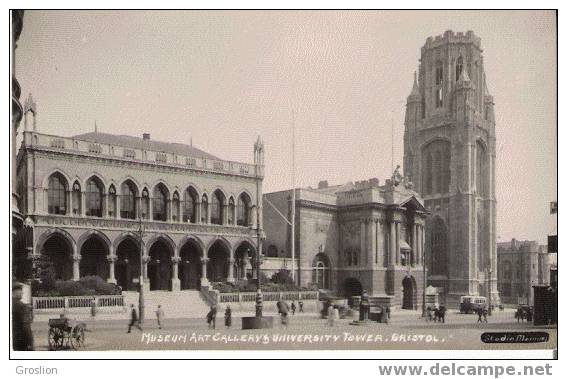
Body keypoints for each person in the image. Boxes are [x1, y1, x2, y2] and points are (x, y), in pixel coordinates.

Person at [12, 282, 34, 351]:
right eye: (21, 291)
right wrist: (30, 343)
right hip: (21, 343)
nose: (22, 293)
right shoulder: (21, 306)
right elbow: (26, 326)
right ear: (15, 292)